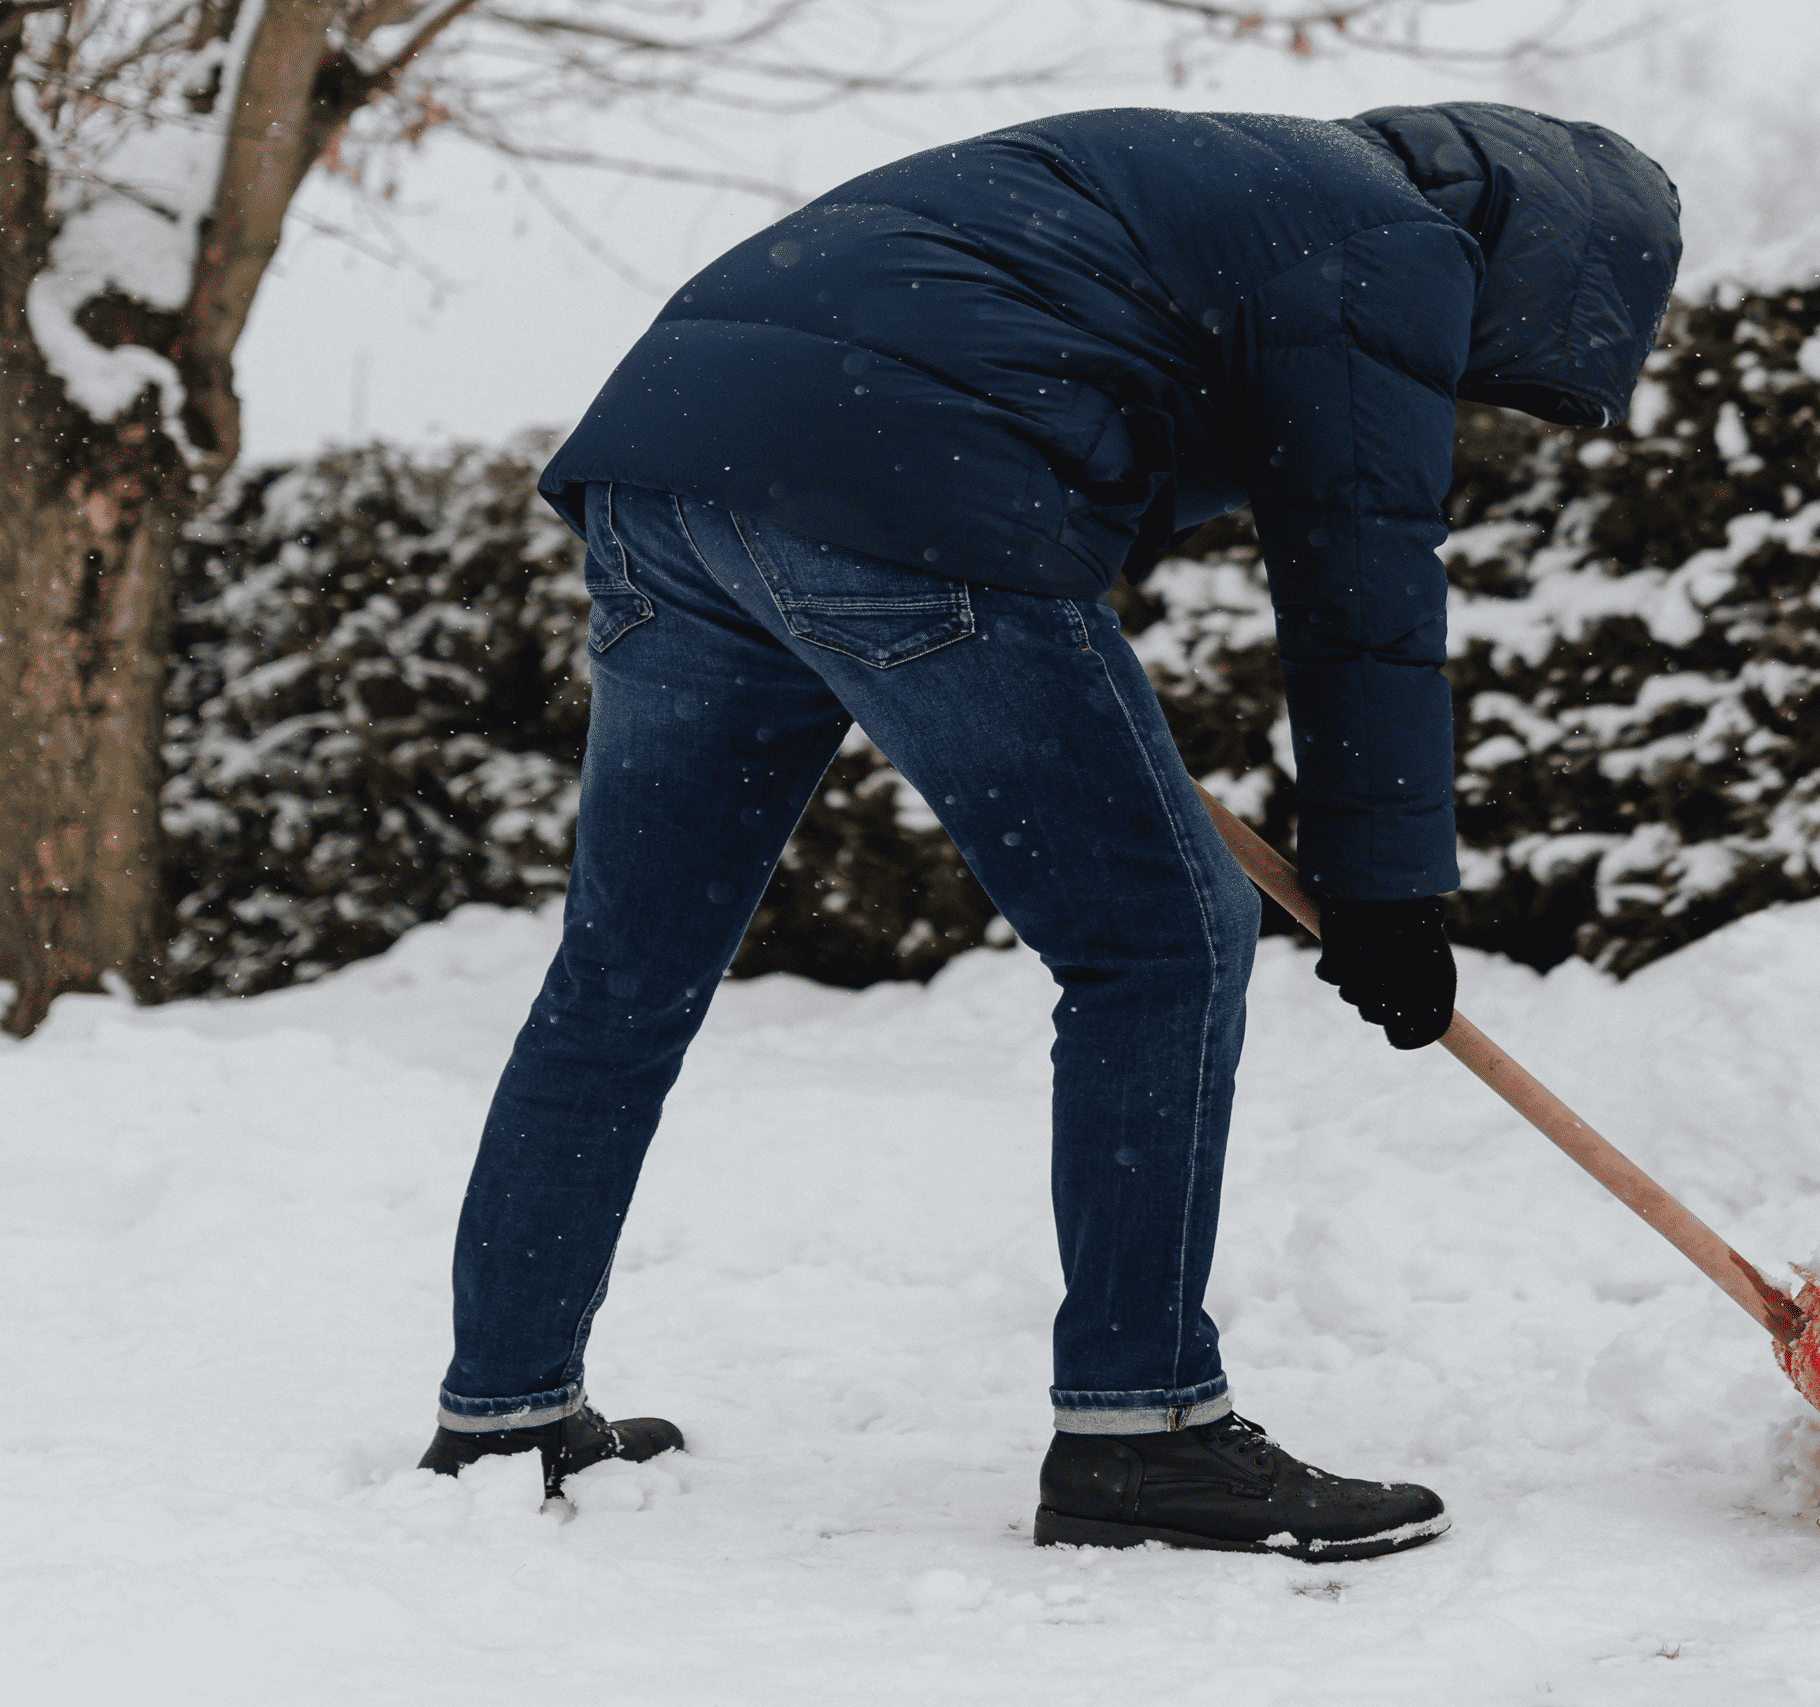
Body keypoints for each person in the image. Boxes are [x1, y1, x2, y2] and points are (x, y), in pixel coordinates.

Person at [415, 102, 1679, 1562]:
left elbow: (1085, 401)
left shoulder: (1228, 183)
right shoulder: (1390, 241)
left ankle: (503, 1410)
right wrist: (1387, 889)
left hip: (668, 475)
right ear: (1546, 261)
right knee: (1165, 937)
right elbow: (1358, 571)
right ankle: (1143, 1436)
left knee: (622, 976)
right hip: (904, 483)